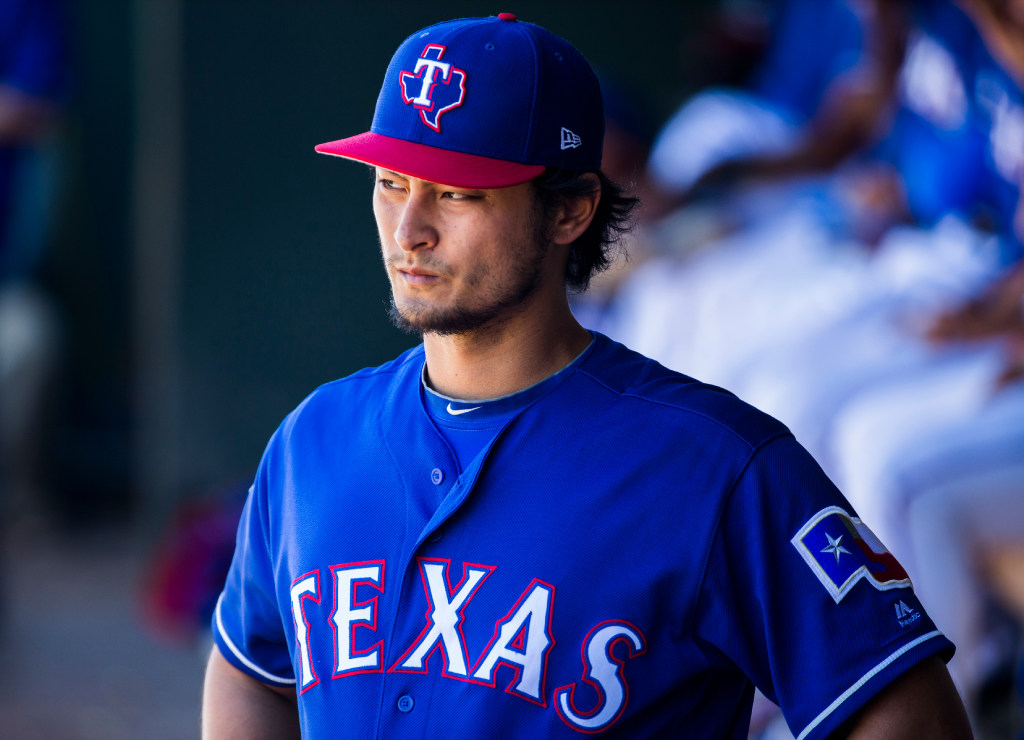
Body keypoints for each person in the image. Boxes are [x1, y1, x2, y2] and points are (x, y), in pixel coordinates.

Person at [202, 14, 971, 739]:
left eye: (458, 193)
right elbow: (250, 669)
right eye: (392, 183)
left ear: (570, 210)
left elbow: (911, 715)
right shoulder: (314, 441)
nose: (410, 231)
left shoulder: (718, 469)